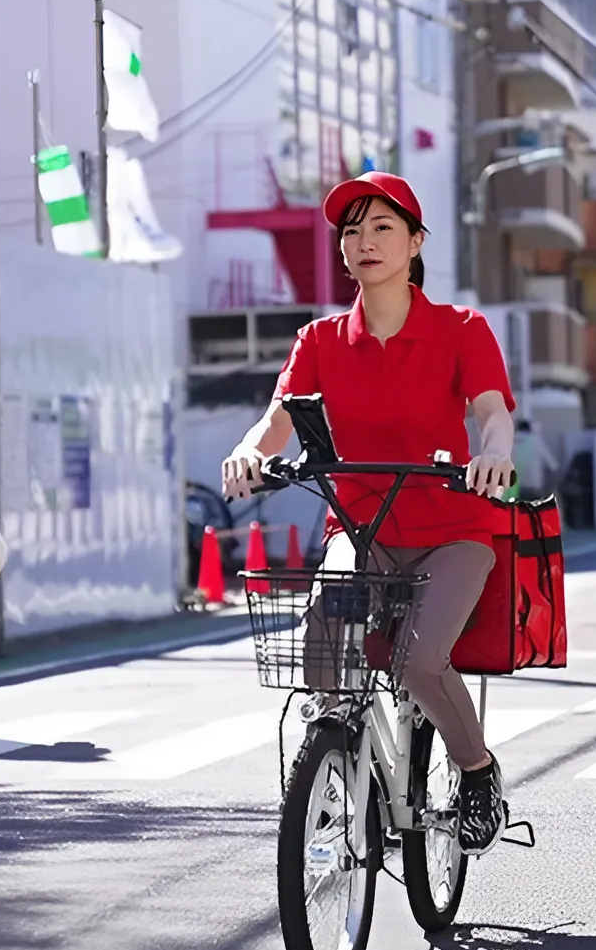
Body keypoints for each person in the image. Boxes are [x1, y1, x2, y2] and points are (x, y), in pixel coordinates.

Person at [220, 172, 518, 853]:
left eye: (383, 227)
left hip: (454, 532)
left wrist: (495, 456)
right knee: (322, 643)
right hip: (361, 530)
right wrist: (246, 451)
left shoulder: (461, 330)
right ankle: (337, 755)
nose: (364, 241)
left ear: (415, 242)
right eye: (351, 231)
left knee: (420, 661)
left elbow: (493, 414)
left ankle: (476, 770)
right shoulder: (320, 341)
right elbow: (277, 422)